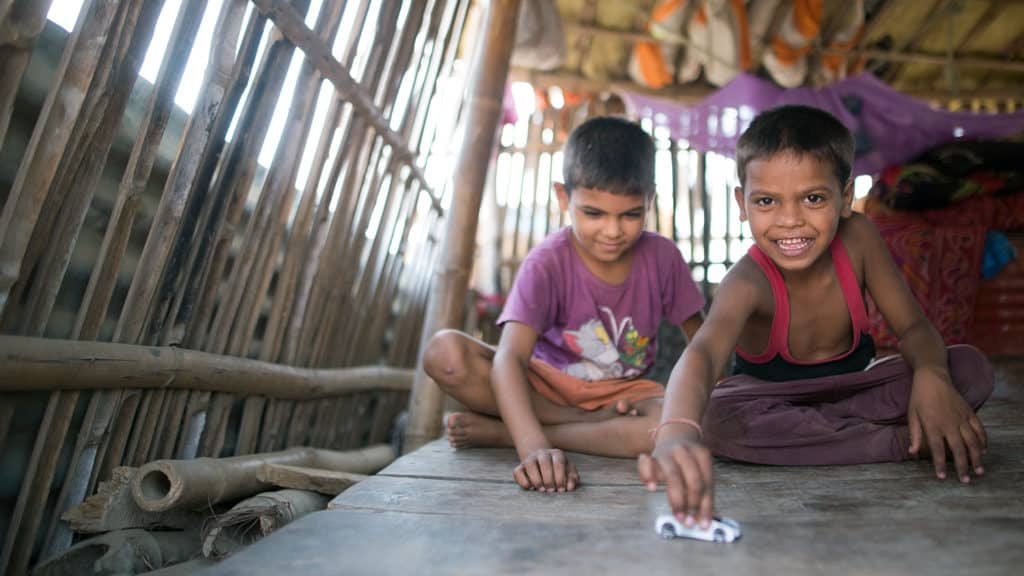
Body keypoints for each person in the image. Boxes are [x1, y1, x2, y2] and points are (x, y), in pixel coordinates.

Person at [638, 105, 994, 529]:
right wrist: (676, 430)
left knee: (967, 368)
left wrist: (932, 376)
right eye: (767, 201)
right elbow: (704, 354)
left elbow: (915, 328)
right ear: (742, 203)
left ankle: (852, 435)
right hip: (771, 407)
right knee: (718, 418)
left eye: (813, 198)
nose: (791, 220)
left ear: (845, 198)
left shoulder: (859, 239)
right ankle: (902, 442)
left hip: (856, 395)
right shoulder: (747, 281)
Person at [422, 116, 706, 493]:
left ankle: (504, 433)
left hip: (623, 395)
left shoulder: (663, 258)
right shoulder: (547, 262)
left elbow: (704, 344)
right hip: (547, 389)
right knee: (445, 353)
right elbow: (509, 359)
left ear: (650, 199)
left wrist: (698, 405)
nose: (612, 230)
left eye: (630, 214)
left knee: (670, 428)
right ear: (562, 197)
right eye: (593, 213)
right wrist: (533, 448)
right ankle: (561, 427)